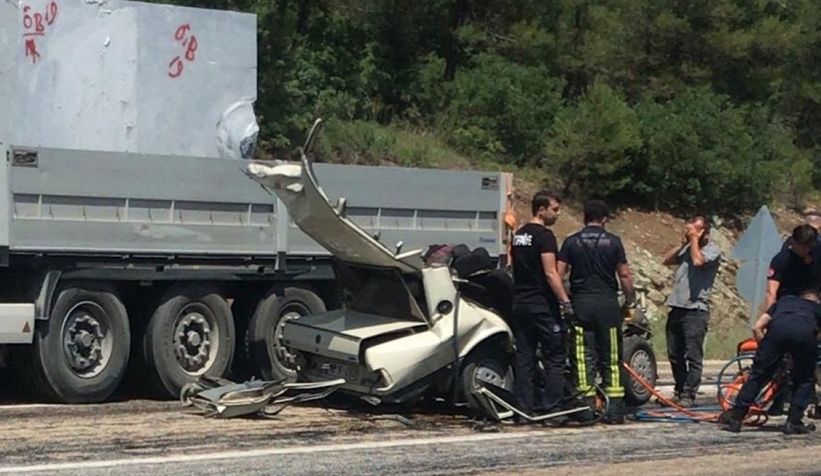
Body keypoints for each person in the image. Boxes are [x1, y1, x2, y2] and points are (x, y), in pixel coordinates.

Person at [557, 199, 635, 424]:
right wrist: (628, 301)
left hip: (581, 303)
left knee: (582, 357)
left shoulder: (571, 242)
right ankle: (614, 411)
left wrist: (565, 302)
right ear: (604, 219)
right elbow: (625, 276)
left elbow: (559, 275)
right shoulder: (613, 242)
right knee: (611, 357)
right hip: (608, 305)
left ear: (585, 218)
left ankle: (585, 408)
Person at [720, 289, 821, 435]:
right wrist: (800, 354)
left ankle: (736, 419)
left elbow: (757, 327)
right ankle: (793, 422)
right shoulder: (817, 308)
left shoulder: (784, 301)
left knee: (757, 375)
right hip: (804, 335)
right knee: (804, 379)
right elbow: (817, 337)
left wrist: (766, 351)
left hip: (776, 333)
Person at [509, 190, 572, 422]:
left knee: (525, 357)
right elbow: (550, 272)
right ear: (541, 210)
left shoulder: (518, 235)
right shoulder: (545, 236)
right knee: (554, 356)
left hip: (520, 304)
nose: (557, 214)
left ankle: (523, 410)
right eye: (554, 209)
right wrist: (565, 301)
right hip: (542, 306)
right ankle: (552, 409)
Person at [661, 215, 722, 407]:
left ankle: (689, 394)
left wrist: (695, 240)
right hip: (677, 306)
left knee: (693, 354)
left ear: (705, 232)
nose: (691, 233)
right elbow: (667, 260)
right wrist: (683, 244)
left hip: (696, 309)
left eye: (696, 229)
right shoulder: (688, 248)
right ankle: (679, 390)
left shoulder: (712, 250)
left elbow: (698, 261)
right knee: (674, 353)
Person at [762, 224, 818, 312]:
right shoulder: (781, 260)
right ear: (793, 241)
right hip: (785, 306)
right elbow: (771, 293)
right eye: (801, 246)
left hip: (810, 306)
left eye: (808, 246)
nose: (805, 250)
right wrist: (768, 319)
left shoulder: (817, 257)